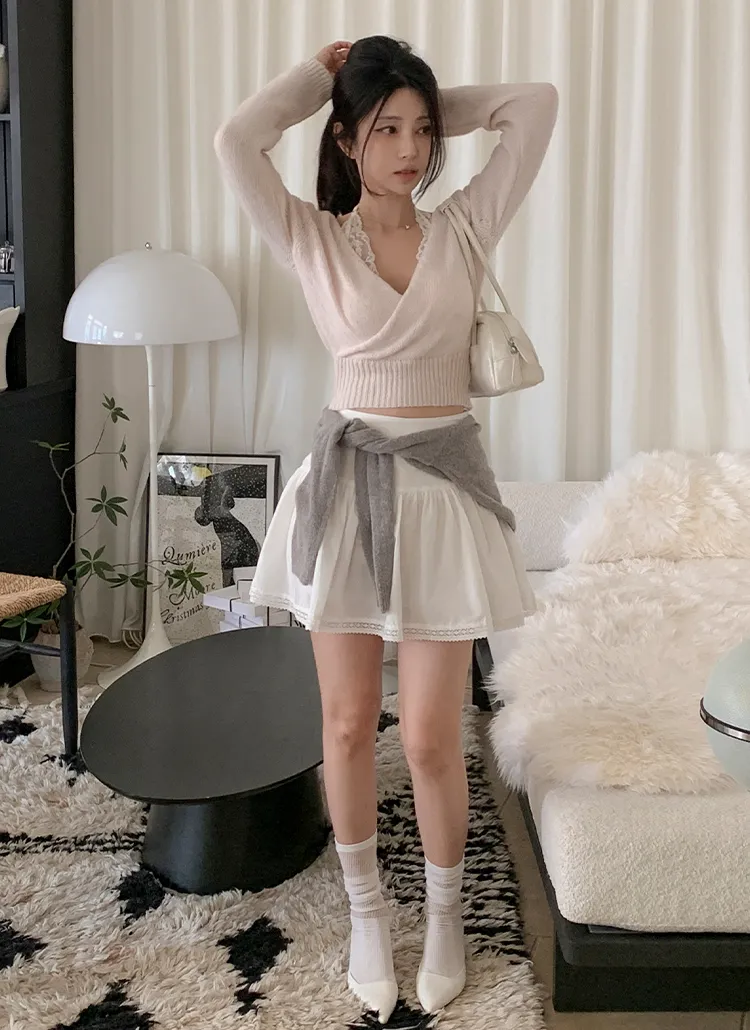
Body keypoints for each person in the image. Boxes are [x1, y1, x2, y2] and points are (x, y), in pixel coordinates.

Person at [215, 35, 557, 1023]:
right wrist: (316, 81)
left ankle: (446, 918)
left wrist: (429, 97)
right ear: (345, 139)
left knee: (437, 736)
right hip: (346, 491)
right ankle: (368, 914)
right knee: (347, 723)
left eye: (421, 130)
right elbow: (237, 139)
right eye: (386, 130)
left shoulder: (465, 228)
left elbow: (535, 104)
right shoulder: (313, 237)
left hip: (443, 493)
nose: (410, 149)